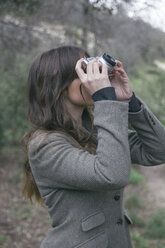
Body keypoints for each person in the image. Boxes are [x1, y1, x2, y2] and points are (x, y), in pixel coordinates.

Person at [22, 45, 165, 248]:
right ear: (58, 84)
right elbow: (112, 174)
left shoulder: (93, 132)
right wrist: (105, 100)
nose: (94, 77)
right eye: (85, 70)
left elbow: (158, 150)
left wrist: (129, 100)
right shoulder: (44, 146)